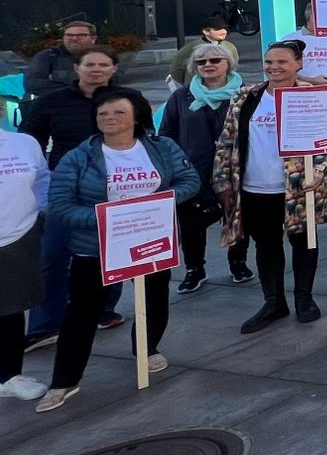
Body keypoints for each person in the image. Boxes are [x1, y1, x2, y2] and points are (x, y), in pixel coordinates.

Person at [37, 92, 201, 412]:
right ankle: (64, 381)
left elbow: (189, 180)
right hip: (95, 247)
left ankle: (147, 348)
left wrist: (159, 203)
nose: (108, 117)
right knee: (82, 312)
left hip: (149, 240)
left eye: (118, 112)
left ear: (137, 116)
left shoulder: (161, 148)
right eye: (102, 113)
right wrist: (105, 218)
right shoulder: (78, 157)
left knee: (153, 299)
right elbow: (60, 205)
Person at [214, 39, 327, 334]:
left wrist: (322, 171)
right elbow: (227, 139)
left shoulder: (311, 96)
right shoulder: (247, 97)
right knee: (266, 244)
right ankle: (273, 301)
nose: (273, 67)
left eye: (282, 62)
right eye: (269, 61)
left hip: (297, 184)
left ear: (298, 64)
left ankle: (304, 298)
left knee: (303, 240)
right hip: (254, 187)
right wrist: (223, 178)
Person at [21, 45, 150, 347]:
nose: (96, 70)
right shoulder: (51, 102)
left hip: (118, 188)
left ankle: (105, 311)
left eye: (103, 65)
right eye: (89, 65)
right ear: (76, 68)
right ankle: (46, 324)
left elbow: (147, 139)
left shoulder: (131, 100)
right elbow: (30, 143)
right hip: (66, 191)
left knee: (115, 257)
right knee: (53, 258)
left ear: (113, 69)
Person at [157, 39, 243, 293]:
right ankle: (195, 268)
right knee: (191, 224)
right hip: (193, 170)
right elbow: (167, 133)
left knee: (236, 217)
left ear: (229, 64)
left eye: (215, 60)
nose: (207, 65)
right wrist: (174, 166)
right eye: (201, 62)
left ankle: (237, 262)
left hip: (234, 169)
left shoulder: (245, 94)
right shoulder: (181, 97)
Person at [0, 125, 50, 401]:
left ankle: (9, 376)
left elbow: (42, 179)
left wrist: (42, 214)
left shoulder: (24, 143)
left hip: (19, 237)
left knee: (11, 308)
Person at [23, 17, 96, 100]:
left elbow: (110, 84)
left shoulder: (105, 57)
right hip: (58, 108)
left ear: (93, 38)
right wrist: (76, 91)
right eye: (69, 35)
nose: (74, 38)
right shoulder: (47, 56)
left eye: (80, 35)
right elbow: (33, 84)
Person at [168, 14, 235, 89]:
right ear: (206, 31)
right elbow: (176, 69)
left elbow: (233, 66)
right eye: (217, 29)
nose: (223, 32)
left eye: (225, 29)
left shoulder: (230, 47)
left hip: (223, 87)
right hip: (196, 89)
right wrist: (190, 82)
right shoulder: (191, 48)